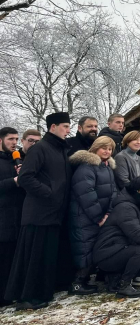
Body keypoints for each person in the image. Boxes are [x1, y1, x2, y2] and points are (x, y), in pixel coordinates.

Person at [5, 112, 72, 310]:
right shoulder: (40, 148)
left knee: (46, 256)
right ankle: (27, 297)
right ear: (52, 127)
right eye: (65, 126)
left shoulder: (59, 149)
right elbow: (26, 177)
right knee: (33, 257)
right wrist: (48, 193)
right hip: (39, 213)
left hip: (54, 213)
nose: (68, 130)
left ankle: (41, 293)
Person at [68, 136, 118, 295]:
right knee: (85, 248)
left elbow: (114, 192)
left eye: (110, 149)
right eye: (104, 147)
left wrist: (109, 212)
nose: (107, 151)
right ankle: (78, 283)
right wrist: (99, 217)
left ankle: (90, 278)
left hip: (101, 217)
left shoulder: (107, 167)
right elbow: (86, 195)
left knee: (95, 247)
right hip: (85, 217)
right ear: (95, 147)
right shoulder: (86, 167)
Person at [92, 177, 140, 298]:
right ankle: (124, 285)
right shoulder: (126, 207)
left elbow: (137, 228)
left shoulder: (137, 204)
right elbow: (134, 231)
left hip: (119, 249)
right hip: (107, 253)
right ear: (137, 190)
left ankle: (114, 279)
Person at [0, 128, 24, 308]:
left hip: (16, 217)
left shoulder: (15, 159)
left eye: (16, 139)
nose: (14, 142)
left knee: (12, 257)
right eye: (10, 139)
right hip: (3, 216)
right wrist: (14, 181)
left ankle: (11, 293)